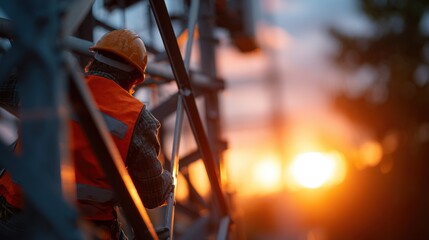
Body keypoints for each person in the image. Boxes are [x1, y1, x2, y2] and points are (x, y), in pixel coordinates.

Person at [0, 29, 173, 239]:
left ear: (93, 61)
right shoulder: (138, 118)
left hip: (18, 217)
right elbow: (153, 196)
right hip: (88, 228)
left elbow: (5, 86)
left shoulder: (50, 86)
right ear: (135, 80)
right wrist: (168, 180)